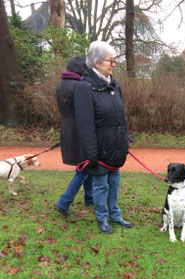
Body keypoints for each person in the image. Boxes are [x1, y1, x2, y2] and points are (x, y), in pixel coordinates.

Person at [74, 41, 132, 234]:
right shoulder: (84, 88)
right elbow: (85, 125)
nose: (113, 64)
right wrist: (91, 154)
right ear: (97, 63)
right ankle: (102, 218)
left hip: (115, 146)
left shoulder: (114, 85)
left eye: (114, 60)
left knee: (114, 182)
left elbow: (120, 118)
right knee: (101, 186)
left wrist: (124, 139)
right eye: (110, 61)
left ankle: (115, 215)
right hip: (98, 149)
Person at [55, 56, 93, 216]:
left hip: (66, 128)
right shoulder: (79, 86)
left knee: (87, 165)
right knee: (83, 168)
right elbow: (84, 112)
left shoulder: (60, 85)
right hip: (79, 130)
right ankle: (63, 203)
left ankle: (89, 198)